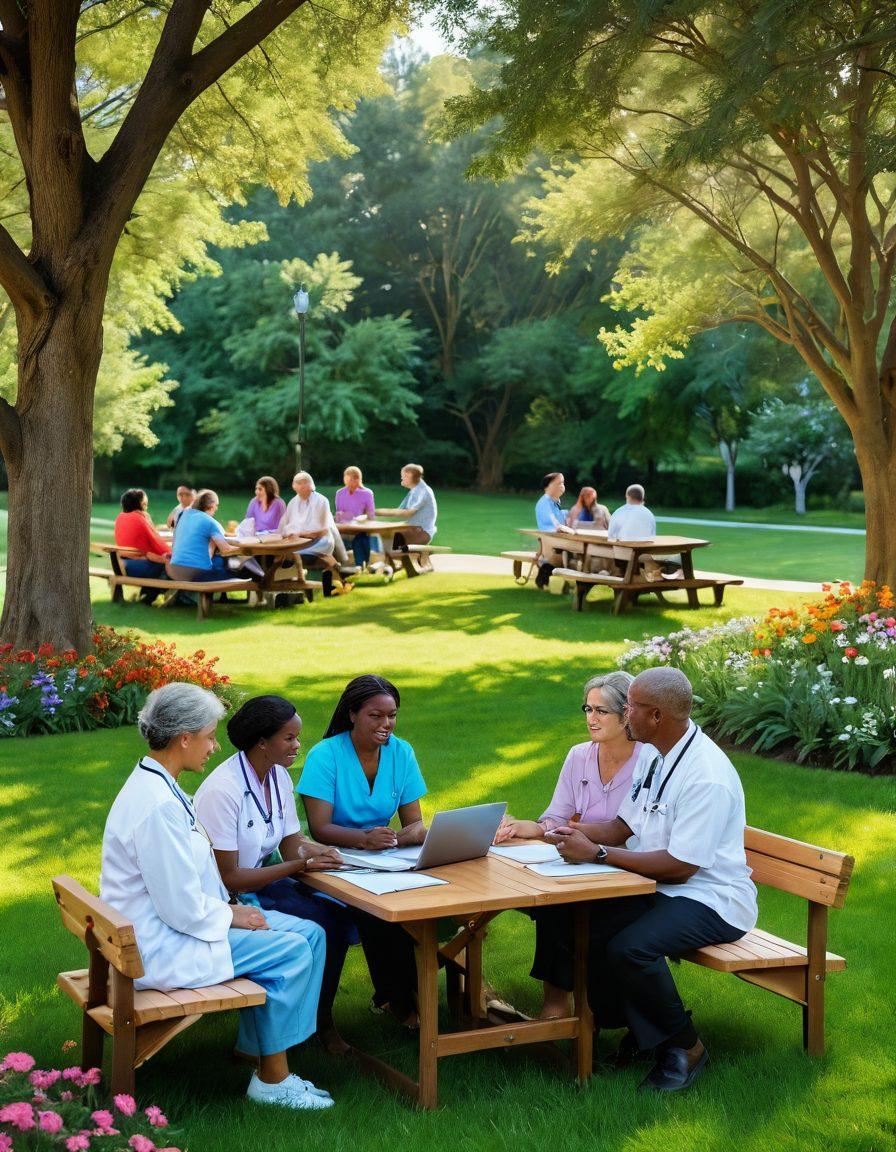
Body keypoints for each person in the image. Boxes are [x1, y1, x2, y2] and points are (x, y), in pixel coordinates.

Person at [99, 683, 333, 1110]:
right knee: (291, 952)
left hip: (162, 928)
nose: (215, 745)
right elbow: (179, 907)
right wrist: (231, 916)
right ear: (184, 737)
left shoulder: (157, 786)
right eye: (209, 735)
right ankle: (272, 1080)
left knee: (312, 936)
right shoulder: (158, 806)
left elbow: (183, 887)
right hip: (157, 947)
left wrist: (231, 909)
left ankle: (258, 1051)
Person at [546, 667, 758, 1092]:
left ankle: (684, 1047)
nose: (625, 715)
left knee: (631, 948)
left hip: (712, 898)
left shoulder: (706, 775)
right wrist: (572, 834)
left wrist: (599, 854)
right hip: (665, 887)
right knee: (582, 920)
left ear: (656, 715)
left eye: (631, 708)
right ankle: (641, 1032)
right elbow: (626, 825)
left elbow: (683, 866)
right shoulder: (658, 756)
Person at [195, 696, 355, 1055]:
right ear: (262, 742)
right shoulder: (224, 790)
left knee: (342, 917)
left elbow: (291, 842)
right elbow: (230, 878)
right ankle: (317, 1024)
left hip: (264, 881)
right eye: (289, 738)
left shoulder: (279, 775)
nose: (298, 745)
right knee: (325, 925)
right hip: (230, 898)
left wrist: (324, 853)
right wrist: (300, 866)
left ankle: (315, 1016)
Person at [493, 671, 646, 1020]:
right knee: (553, 899)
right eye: (587, 709)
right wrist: (522, 826)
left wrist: (573, 832)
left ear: (627, 714)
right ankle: (558, 1007)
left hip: (628, 870)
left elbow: (630, 831)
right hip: (581, 865)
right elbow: (554, 819)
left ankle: (564, 1010)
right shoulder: (579, 755)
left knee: (560, 905)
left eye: (601, 711)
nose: (591, 719)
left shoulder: (648, 761)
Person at [298, 675, 427, 1028]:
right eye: (376, 716)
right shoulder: (325, 756)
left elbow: (412, 823)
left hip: (384, 860)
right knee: (379, 912)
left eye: (392, 715)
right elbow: (319, 827)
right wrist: (364, 840)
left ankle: (415, 992)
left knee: (427, 902)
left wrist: (420, 835)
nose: (386, 724)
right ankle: (401, 1001)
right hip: (332, 862)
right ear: (352, 713)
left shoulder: (401, 752)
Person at [279, 472, 342, 597]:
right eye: (298, 483)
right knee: (281, 555)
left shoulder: (321, 501)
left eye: (304, 482)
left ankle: (309, 586)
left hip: (321, 541)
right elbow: (284, 528)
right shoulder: (293, 502)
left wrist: (302, 534)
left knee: (293, 555)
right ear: (294, 486)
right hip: (298, 542)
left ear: (311, 484)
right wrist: (289, 535)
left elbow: (323, 530)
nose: (302, 486)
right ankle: (288, 589)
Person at [167, 489, 247, 583]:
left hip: (173, 570)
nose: (216, 508)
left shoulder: (183, 516)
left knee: (217, 563)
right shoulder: (210, 522)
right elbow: (226, 550)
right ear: (212, 505)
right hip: (193, 572)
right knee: (240, 572)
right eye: (217, 505)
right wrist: (245, 551)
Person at [114, 488, 172, 603]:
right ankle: (149, 597)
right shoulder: (140, 518)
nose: (147, 505)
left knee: (164, 562)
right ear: (142, 503)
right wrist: (171, 556)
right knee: (170, 565)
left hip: (120, 564)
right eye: (146, 503)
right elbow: (154, 547)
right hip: (134, 567)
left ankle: (146, 595)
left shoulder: (120, 518)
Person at [387, 463, 437, 551]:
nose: (401, 478)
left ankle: (388, 560)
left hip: (419, 533)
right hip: (413, 531)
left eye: (403, 475)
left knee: (384, 539)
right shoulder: (414, 491)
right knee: (383, 537)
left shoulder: (422, 491)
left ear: (409, 475)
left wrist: (376, 513)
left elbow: (407, 513)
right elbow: (398, 512)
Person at [334, 466, 376, 569]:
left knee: (360, 538)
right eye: (346, 479)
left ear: (358, 479)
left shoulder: (367, 493)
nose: (347, 483)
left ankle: (360, 566)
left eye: (350, 480)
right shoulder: (339, 493)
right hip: (343, 529)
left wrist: (363, 517)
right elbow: (339, 512)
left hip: (359, 528)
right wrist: (338, 516)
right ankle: (358, 566)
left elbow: (371, 516)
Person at [534, 472, 569, 589]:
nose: (562, 486)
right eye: (559, 483)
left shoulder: (555, 503)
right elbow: (555, 524)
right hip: (550, 542)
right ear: (548, 486)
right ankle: (545, 574)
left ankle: (571, 582)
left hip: (559, 540)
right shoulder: (545, 503)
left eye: (563, 483)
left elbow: (561, 519)